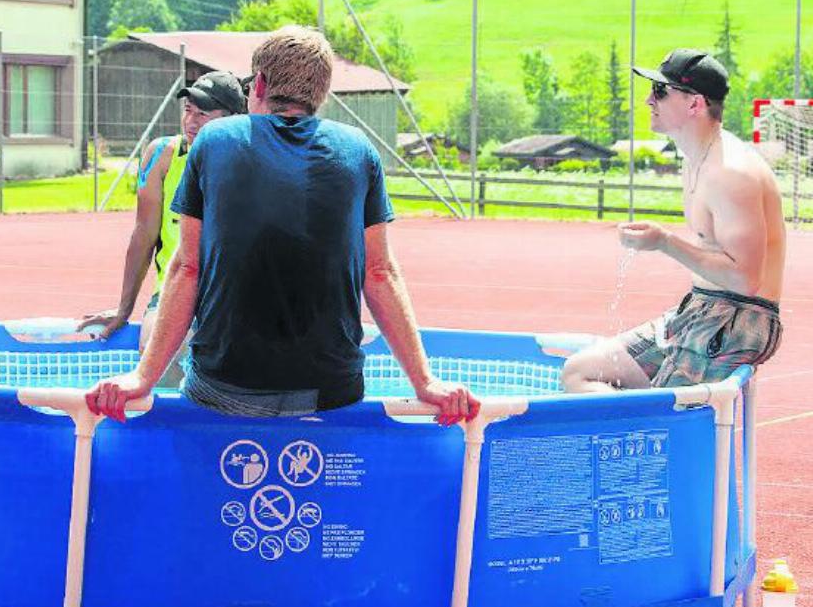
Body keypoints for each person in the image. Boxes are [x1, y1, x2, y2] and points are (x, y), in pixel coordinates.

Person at [85, 26, 478, 425]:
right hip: (331, 389)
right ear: (321, 94)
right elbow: (379, 273)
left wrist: (143, 377)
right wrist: (425, 382)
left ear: (258, 85)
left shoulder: (214, 141)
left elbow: (188, 267)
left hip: (226, 385)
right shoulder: (358, 149)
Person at [563, 48, 784, 392]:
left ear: (695, 104)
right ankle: (639, 439)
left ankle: (659, 439)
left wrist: (664, 242)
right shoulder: (694, 157)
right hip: (700, 307)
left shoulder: (732, 173)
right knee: (579, 372)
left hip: (740, 318)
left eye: (661, 91)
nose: (649, 100)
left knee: (662, 412)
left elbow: (745, 281)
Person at [77, 71, 247, 384]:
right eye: (188, 111)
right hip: (174, 292)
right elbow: (144, 235)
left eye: (203, 114)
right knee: (157, 355)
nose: (191, 122)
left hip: (233, 296)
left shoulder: (252, 161)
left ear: (232, 119)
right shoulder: (161, 155)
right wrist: (124, 309)